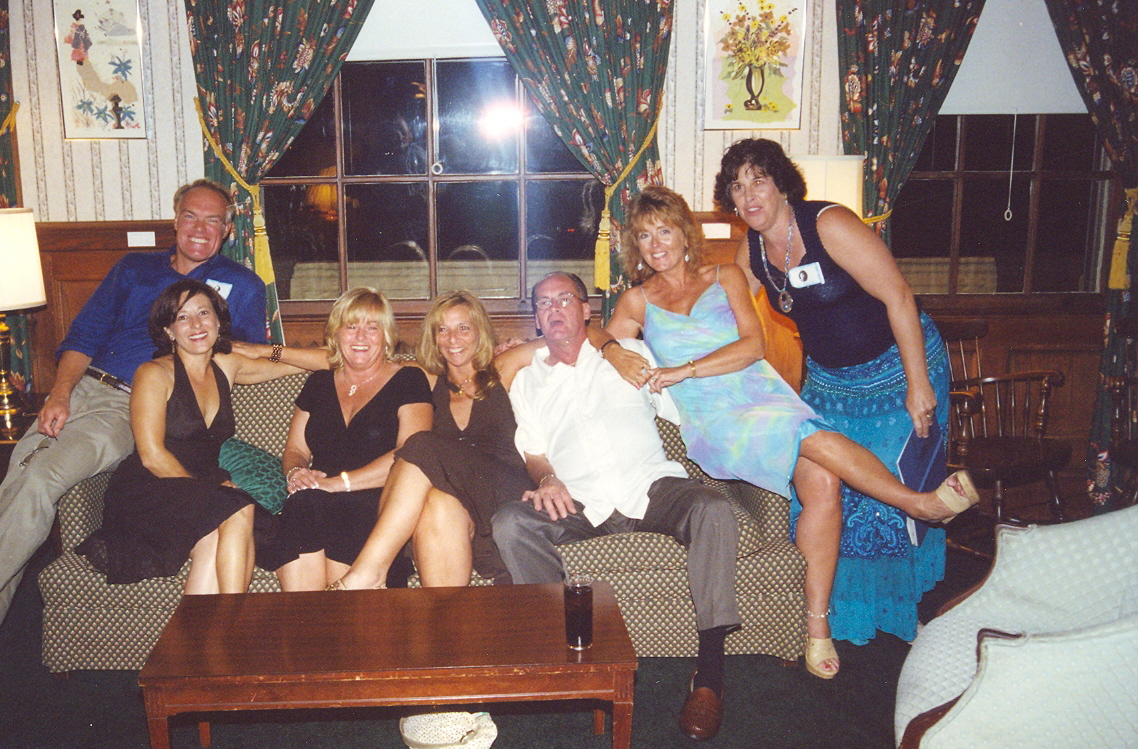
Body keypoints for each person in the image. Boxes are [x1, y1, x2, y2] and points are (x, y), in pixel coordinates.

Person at [599, 186, 978, 679]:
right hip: (718, 422)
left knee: (823, 483)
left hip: (763, 395)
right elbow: (594, 337)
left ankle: (816, 629)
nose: (656, 244)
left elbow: (753, 347)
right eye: (645, 236)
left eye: (664, 231)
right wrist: (612, 350)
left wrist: (683, 370)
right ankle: (919, 504)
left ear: (684, 235)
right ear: (636, 246)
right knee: (812, 439)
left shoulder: (726, 276)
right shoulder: (637, 300)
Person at [716, 138, 959, 646]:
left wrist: (918, 384)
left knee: (887, 491)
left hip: (898, 370)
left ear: (782, 184)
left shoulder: (829, 224)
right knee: (829, 489)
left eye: (758, 180)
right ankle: (838, 614)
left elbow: (899, 296)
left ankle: (898, 610)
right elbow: (722, 319)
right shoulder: (752, 251)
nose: (749, 195)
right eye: (737, 187)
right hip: (831, 383)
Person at [0, 179, 266, 624]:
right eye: (190, 216)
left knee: (38, 479)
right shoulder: (134, 268)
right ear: (175, 221)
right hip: (84, 387)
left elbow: (243, 354)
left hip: (129, 406)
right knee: (21, 475)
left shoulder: (242, 285)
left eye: (213, 220)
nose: (200, 228)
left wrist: (290, 354)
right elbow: (84, 335)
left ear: (228, 230)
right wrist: (60, 394)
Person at [491, 272, 741, 742]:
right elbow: (534, 450)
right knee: (511, 523)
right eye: (544, 303)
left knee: (712, 509)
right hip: (580, 500)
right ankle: (566, 655)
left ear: (586, 309)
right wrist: (546, 477)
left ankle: (709, 676)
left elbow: (688, 405)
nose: (554, 309)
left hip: (650, 487)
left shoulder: (630, 354)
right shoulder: (528, 381)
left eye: (565, 299)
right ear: (537, 320)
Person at [75, 280, 298, 592]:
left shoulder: (228, 366)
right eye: (182, 317)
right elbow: (152, 457)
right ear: (169, 330)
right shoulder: (153, 373)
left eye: (204, 313)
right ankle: (237, 617)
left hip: (199, 491)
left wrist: (266, 350)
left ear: (218, 321)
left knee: (213, 541)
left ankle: (203, 625)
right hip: (151, 489)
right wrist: (210, 491)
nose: (195, 325)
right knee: (238, 508)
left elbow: (320, 362)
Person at [326, 291, 533, 590]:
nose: (453, 339)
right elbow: (350, 361)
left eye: (463, 328)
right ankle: (442, 616)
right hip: (463, 508)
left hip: (505, 494)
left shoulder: (503, 367)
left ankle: (369, 571)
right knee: (438, 503)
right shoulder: (428, 380)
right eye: (442, 329)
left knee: (420, 443)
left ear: (480, 331)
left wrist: (607, 347)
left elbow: (573, 338)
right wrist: (272, 353)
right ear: (433, 338)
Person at [255, 288, 433, 591]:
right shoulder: (318, 382)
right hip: (316, 498)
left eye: (372, 327)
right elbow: (296, 449)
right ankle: (306, 617)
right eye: (351, 326)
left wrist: (337, 484)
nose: (360, 336)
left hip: (375, 500)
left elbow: (411, 454)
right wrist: (296, 472)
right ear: (336, 335)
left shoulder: (409, 380)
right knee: (303, 503)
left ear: (387, 336)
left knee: (328, 509)